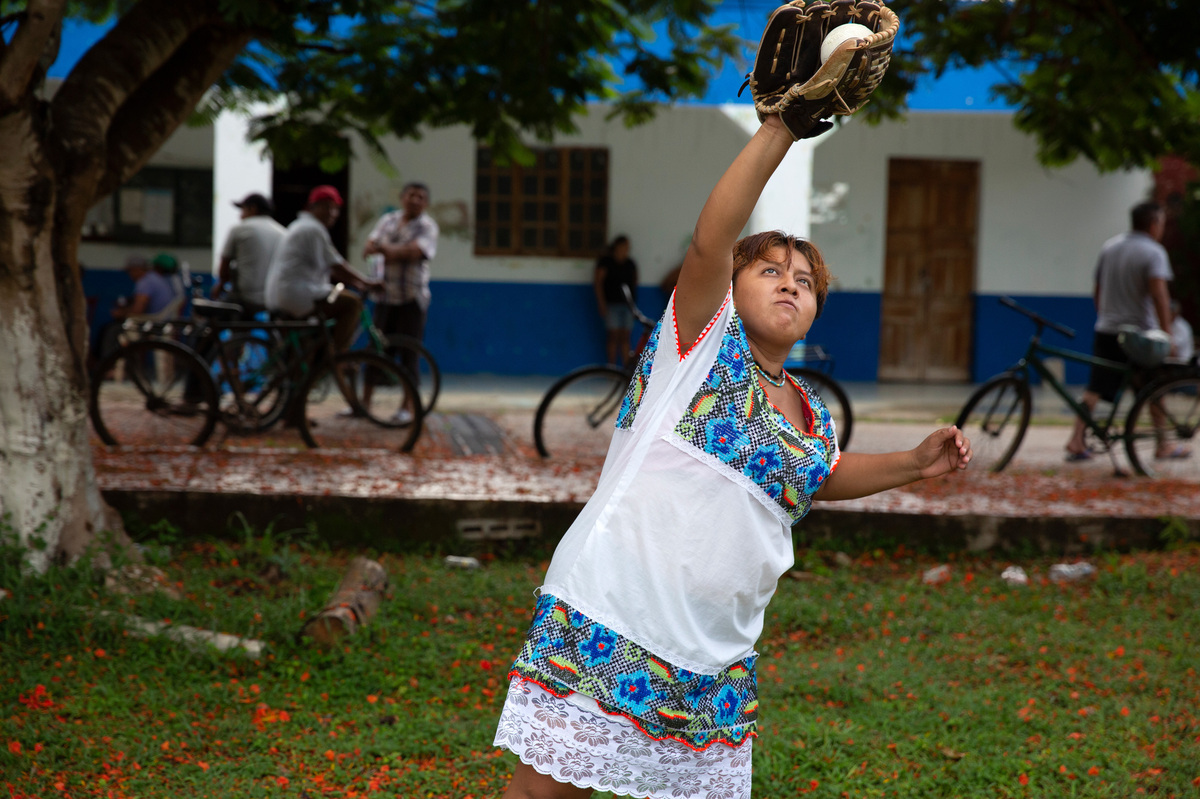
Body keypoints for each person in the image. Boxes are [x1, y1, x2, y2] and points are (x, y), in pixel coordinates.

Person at [493, 115, 972, 799]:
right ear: (730, 287)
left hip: (715, 650)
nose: (789, 284)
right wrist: (782, 129)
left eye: (804, 280)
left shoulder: (810, 409)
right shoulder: (697, 349)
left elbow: (820, 478)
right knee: (545, 794)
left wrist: (915, 463)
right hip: (613, 611)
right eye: (769, 270)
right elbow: (710, 240)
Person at [1065, 201, 1175, 461]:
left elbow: (1097, 289)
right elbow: (1159, 295)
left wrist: (1105, 316)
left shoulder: (1110, 247)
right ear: (1153, 224)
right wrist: (1167, 334)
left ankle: (1076, 440)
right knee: (1153, 388)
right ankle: (1163, 444)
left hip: (1107, 329)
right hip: (1141, 335)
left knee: (1095, 388)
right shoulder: (1154, 252)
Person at [264, 185, 381, 354]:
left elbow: (331, 268)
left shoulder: (301, 226)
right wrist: (366, 282)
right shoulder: (313, 229)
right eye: (327, 207)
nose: (332, 213)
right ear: (313, 207)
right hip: (297, 294)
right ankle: (337, 356)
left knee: (308, 344)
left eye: (335, 209)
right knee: (352, 303)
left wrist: (357, 283)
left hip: (287, 294)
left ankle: (318, 360)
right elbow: (336, 264)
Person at [362, 182, 439, 391]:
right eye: (411, 195)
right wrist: (395, 251)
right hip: (384, 297)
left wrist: (384, 249)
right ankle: (364, 403)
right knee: (376, 351)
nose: (415, 200)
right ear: (402, 198)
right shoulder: (388, 220)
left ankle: (408, 405)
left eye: (421, 197)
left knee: (409, 354)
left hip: (412, 298)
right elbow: (368, 249)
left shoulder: (427, 226)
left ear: (426, 204)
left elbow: (416, 252)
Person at [213, 192, 286, 315]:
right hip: (274, 299)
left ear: (252, 208)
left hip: (245, 298)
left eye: (242, 210)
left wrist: (220, 285)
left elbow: (224, 266)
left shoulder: (239, 229)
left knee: (214, 316)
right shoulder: (283, 233)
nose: (240, 216)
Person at [593, 235, 639, 367]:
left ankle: (626, 369)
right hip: (611, 305)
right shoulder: (606, 263)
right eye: (624, 246)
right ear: (617, 246)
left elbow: (634, 282)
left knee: (625, 336)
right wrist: (601, 303)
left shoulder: (630, 263)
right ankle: (611, 367)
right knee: (613, 336)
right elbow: (598, 283)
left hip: (627, 305)